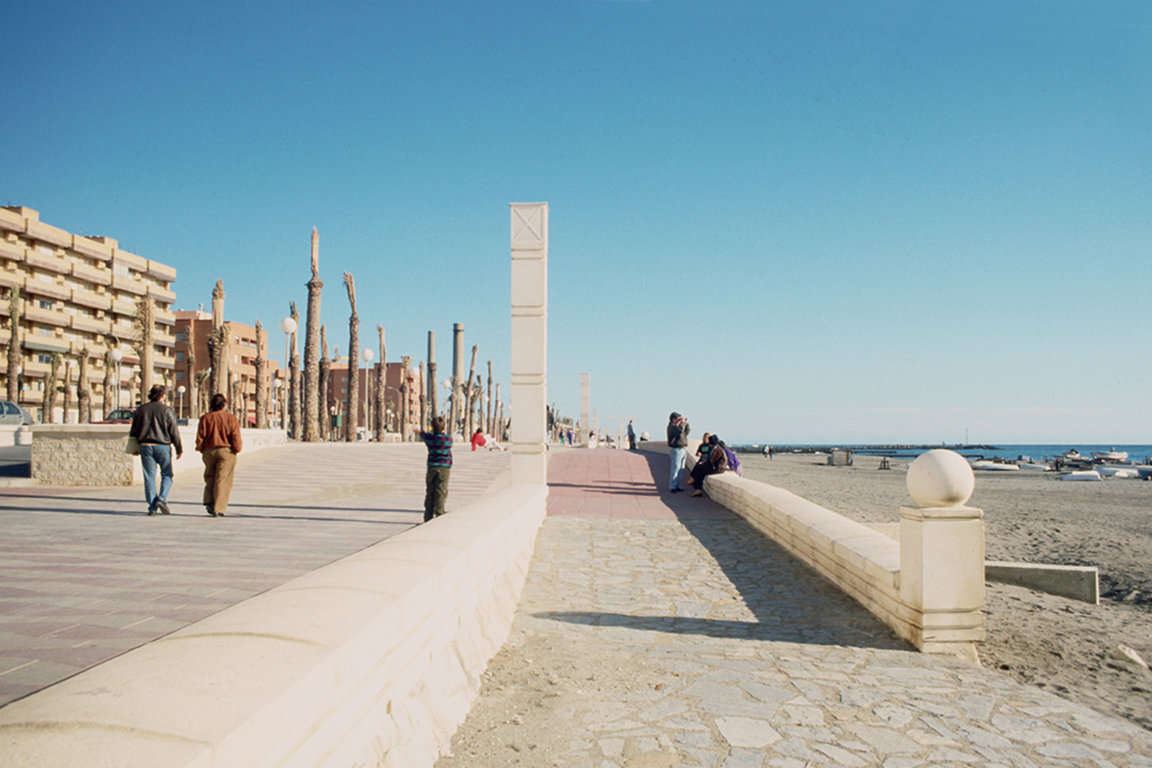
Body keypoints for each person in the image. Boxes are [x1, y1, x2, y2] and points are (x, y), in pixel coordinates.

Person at [129, 384, 183, 516]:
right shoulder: (167, 410)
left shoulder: (140, 410)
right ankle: (162, 499)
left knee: (149, 477)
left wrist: (134, 448)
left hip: (146, 446)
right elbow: (174, 431)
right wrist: (179, 448)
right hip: (163, 446)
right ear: (163, 395)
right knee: (167, 474)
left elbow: (134, 431)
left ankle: (152, 506)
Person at [196, 393, 243, 517]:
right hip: (226, 451)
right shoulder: (231, 418)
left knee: (209, 476)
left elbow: (200, 436)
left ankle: (209, 501)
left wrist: (201, 449)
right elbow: (235, 436)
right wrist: (236, 449)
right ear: (224, 404)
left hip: (209, 450)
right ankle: (219, 508)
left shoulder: (205, 418)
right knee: (223, 479)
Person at [420, 416, 453, 521]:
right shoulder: (448, 439)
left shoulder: (430, 439)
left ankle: (428, 515)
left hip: (431, 466)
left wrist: (421, 432)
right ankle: (439, 512)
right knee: (441, 490)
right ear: (444, 428)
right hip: (444, 467)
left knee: (430, 490)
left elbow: (424, 435)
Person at [666, 411, 690, 493]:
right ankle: (672, 487)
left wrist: (686, 424)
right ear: (673, 420)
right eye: (678, 419)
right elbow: (678, 432)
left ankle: (677, 486)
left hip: (683, 448)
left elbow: (686, 432)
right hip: (676, 449)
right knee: (675, 468)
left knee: (681, 469)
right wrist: (682, 424)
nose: (680, 421)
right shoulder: (671, 427)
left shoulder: (679, 427)